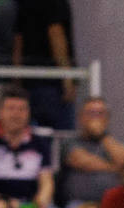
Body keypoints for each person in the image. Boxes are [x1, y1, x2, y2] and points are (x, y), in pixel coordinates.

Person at [12, 0, 76, 130]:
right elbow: (56, 34)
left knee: (35, 136)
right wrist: (67, 78)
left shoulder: (23, 4)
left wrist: (17, 80)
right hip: (52, 82)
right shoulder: (56, 4)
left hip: (30, 81)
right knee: (59, 137)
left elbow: (18, 42)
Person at [59, 97, 124, 207]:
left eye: (100, 113)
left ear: (107, 118)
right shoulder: (70, 142)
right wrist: (116, 168)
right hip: (79, 206)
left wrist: (102, 135)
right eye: (91, 113)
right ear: (80, 118)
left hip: (113, 205)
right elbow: (84, 162)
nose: (95, 118)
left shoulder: (113, 143)